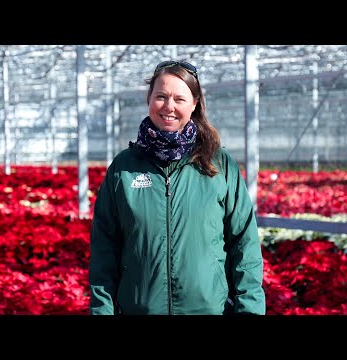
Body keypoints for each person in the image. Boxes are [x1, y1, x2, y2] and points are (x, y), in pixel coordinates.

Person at [88, 60, 266, 315]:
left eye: (179, 99)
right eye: (161, 96)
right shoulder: (123, 168)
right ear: (149, 99)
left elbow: (244, 244)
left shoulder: (218, 165)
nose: (169, 107)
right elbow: (104, 250)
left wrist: (249, 309)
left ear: (194, 104)